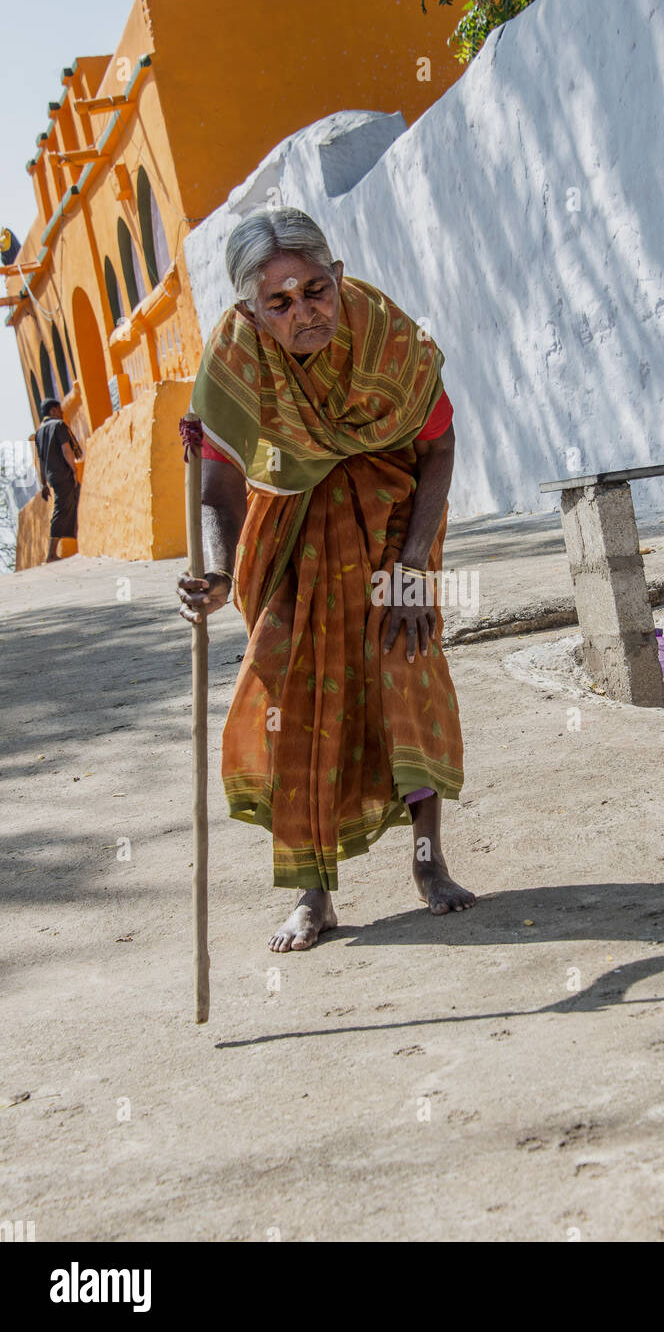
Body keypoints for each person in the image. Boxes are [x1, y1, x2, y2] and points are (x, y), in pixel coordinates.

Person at [177, 207, 475, 952]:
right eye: (279, 302)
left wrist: (411, 569)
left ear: (338, 278)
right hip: (288, 542)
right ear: (250, 310)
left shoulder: (385, 335)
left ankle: (430, 863)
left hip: (389, 531)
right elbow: (216, 479)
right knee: (292, 698)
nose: (304, 311)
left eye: (315, 290)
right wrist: (215, 575)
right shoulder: (234, 359)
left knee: (401, 679)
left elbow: (437, 449)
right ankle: (313, 895)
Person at [34, 399, 82, 562]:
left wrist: (43, 484)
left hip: (52, 476)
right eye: (59, 409)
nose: (62, 412)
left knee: (74, 500)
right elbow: (66, 449)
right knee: (61, 508)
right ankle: (52, 554)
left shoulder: (39, 432)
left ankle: (78, 539)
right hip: (63, 473)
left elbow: (41, 461)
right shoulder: (58, 425)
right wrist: (74, 470)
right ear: (53, 411)